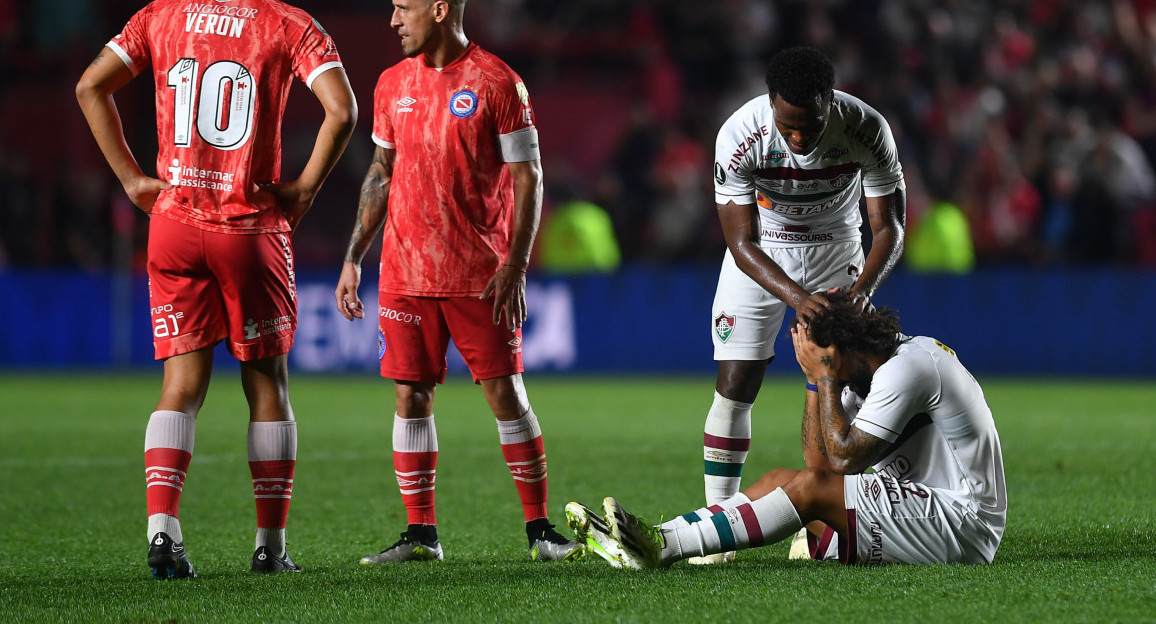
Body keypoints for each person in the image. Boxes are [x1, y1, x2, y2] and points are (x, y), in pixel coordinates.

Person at [75, 0, 357, 578]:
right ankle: (270, 549)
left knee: (179, 387)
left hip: (173, 226)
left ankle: (163, 532)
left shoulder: (161, 14)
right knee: (267, 388)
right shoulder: (286, 21)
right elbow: (343, 111)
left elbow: (89, 87)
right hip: (247, 228)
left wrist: (132, 179)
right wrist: (303, 189)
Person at [333, 0, 581, 564]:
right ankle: (421, 534)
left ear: (439, 9)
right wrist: (355, 255)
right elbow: (381, 171)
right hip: (403, 272)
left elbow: (529, 177)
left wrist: (515, 266)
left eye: (403, 8)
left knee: (504, 394)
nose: (392, 21)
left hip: (479, 276)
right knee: (410, 397)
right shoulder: (391, 82)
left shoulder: (498, 82)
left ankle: (540, 531)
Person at [568, 291, 1007, 568]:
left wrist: (823, 378)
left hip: (964, 522)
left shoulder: (909, 368)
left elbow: (841, 459)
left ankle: (660, 549)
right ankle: (656, 536)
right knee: (782, 482)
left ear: (842, 350)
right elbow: (818, 466)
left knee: (809, 489)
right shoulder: (863, 372)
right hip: (924, 513)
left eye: (819, 356)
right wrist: (815, 380)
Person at [696, 46, 906, 562]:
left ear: (830, 103)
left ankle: (824, 525)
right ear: (770, 103)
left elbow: (890, 227)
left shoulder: (866, 128)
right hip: (764, 251)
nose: (798, 137)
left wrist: (859, 297)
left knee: (852, 380)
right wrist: (798, 299)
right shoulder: (739, 135)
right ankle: (720, 533)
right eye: (787, 126)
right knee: (736, 382)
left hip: (839, 247)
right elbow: (740, 243)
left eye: (809, 125)